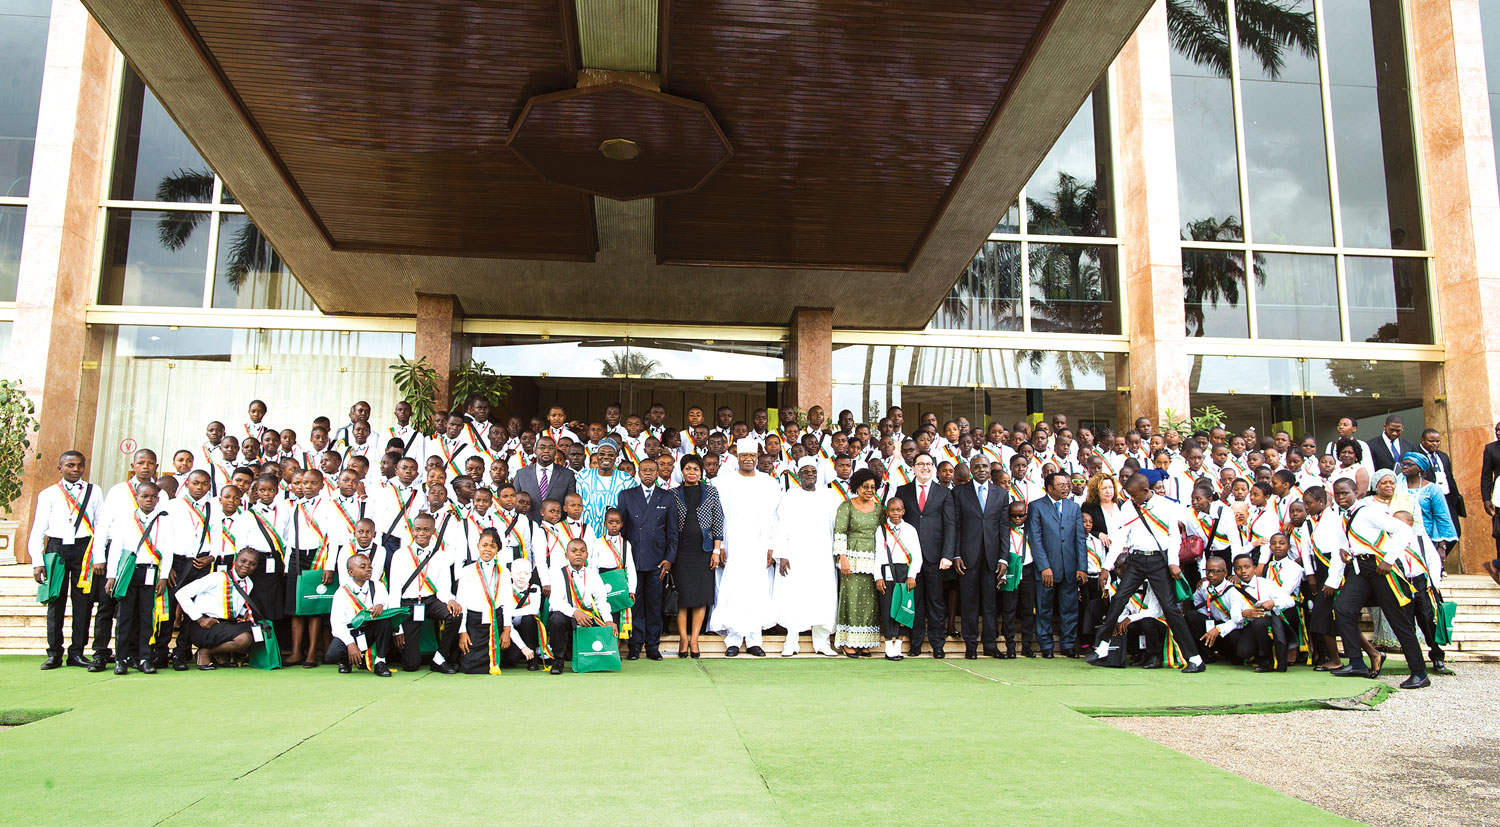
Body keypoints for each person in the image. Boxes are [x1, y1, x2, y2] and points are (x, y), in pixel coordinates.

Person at [1090, 474, 1206, 673]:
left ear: (1145, 491)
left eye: (1134, 495)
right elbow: (1119, 538)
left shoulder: (1167, 506)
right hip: (1135, 560)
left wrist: (1173, 563)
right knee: (1118, 599)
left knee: (1170, 609)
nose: (1131, 499)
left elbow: (1174, 536)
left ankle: (1194, 658)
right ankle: (1101, 647)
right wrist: (1105, 567)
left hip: (1158, 562)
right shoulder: (1128, 507)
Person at [1327, 478, 1430, 689]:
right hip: (1359, 568)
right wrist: (1334, 579)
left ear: (1356, 492)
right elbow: (1340, 548)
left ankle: (1419, 672)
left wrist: (1389, 560)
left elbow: (1402, 530)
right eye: (1337, 494)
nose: (1341, 498)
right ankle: (1356, 662)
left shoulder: (1367, 511)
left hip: (1380, 568)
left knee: (1398, 619)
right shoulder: (1340, 517)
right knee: (1343, 608)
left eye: (1345, 493)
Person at [29, 451, 102, 670]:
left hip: (84, 548)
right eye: (70, 465)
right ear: (60, 468)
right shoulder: (48, 493)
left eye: (80, 466)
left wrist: (99, 556)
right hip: (57, 548)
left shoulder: (93, 490)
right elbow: (38, 529)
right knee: (56, 601)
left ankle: (77, 652)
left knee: (84, 603)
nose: (76, 470)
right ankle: (54, 653)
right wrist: (37, 560)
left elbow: (100, 525)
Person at [710, 438, 782, 657]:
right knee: (733, 590)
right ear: (737, 458)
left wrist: (772, 546)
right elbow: (718, 516)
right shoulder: (723, 482)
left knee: (756, 590)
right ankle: (732, 640)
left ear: (757, 457)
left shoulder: (769, 483)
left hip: (759, 546)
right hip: (733, 546)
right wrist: (720, 545)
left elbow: (775, 517)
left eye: (752, 456)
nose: (748, 459)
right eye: (744, 456)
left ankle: (753, 640)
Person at [771, 458, 839, 657]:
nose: (810, 474)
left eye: (813, 471)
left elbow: (837, 526)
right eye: (806, 471)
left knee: (822, 596)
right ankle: (791, 642)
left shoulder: (829, 496)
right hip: (796, 554)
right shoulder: (790, 496)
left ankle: (822, 643)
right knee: (795, 596)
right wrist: (782, 554)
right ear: (798, 475)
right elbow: (781, 525)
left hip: (822, 555)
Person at [103, 480, 171, 675]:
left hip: (151, 573)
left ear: (158, 499)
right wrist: (111, 576)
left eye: (153, 497)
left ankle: (145, 658)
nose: (149, 500)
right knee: (124, 617)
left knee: (146, 617)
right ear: (137, 498)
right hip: (128, 573)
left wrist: (164, 576)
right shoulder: (126, 520)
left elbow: (168, 551)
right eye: (144, 496)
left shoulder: (164, 520)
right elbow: (116, 549)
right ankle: (121, 659)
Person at [893, 452, 957, 658]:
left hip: (935, 557)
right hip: (910, 558)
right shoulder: (903, 491)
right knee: (914, 603)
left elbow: (950, 525)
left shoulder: (944, 493)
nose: (925, 468)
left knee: (937, 602)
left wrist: (948, 554)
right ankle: (916, 644)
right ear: (913, 467)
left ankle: (938, 645)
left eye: (929, 464)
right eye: (921, 464)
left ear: (934, 468)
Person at [617, 458, 676, 660]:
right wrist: (622, 559)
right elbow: (622, 532)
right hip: (633, 560)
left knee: (654, 604)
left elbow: (672, 532)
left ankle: (653, 646)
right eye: (644, 470)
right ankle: (635, 646)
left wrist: (669, 559)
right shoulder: (626, 496)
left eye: (652, 470)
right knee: (635, 604)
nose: (648, 473)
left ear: (658, 472)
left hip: (657, 561)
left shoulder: (667, 497)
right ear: (638, 473)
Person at [389, 512, 461, 674]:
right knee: (411, 666)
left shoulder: (440, 556)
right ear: (412, 531)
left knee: (455, 614)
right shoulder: (400, 555)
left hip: (429, 602)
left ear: (433, 532)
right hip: (408, 606)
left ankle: (439, 658)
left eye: (426, 530)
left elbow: (443, 589)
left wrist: (450, 600)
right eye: (418, 529)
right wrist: (397, 628)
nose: (421, 533)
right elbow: (394, 592)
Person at [953, 454, 1008, 659]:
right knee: (969, 602)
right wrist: (956, 553)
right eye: (977, 467)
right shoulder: (959, 492)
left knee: (990, 602)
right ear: (971, 469)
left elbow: (1004, 528)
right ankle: (971, 645)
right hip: (967, 556)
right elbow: (955, 526)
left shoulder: (1001, 494)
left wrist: (1003, 558)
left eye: (985, 466)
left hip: (992, 556)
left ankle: (990, 644)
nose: (982, 470)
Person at [1028, 471, 1087, 658]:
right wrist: (1044, 567)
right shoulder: (1036, 507)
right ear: (1050, 487)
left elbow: (1080, 539)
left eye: (1067, 484)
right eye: (1061, 485)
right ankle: (1046, 645)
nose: (1066, 488)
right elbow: (1035, 539)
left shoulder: (1073, 507)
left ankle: (1068, 644)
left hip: (1070, 567)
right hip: (1046, 569)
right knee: (1044, 608)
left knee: (1070, 608)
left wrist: (1082, 567)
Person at [174, 547, 262, 670]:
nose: (247, 565)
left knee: (261, 629)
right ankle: (205, 652)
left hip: (225, 624)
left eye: (252, 564)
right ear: (235, 561)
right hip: (204, 625)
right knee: (244, 639)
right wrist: (200, 619)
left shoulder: (249, 583)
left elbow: (234, 605)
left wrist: (245, 612)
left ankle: (218, 652)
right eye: (243, 561)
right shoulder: (216, 578)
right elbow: (181, 594)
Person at [672, 455, 723, 657]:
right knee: (682, 598)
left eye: (695, 469)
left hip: (704, 551)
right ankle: (683, 639)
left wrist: (716, 551)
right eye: (687, 469)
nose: (691, 472)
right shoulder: (673, 494)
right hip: (681, 552)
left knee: (700, 598)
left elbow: (718, 521)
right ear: (682, 471)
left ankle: (695, 640)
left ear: (701, 471)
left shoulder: (711, 492)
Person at [832, 468, 882, 657]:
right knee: (851, 600)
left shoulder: (878, 508)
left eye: (872, 487)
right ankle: (849, 642)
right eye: (865, 487)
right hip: (850, 560)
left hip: (872, 559)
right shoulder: (846, 506)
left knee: (870, 602)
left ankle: (864, 641)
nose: (869, 490)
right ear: (857, 487)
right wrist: (842, 558)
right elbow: (840, 532)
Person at [547, 538, 614, 674]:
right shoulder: (558, 573)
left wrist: (608, 620)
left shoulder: (592, 575)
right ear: (566, 555)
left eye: (582, 551)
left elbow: (601, 600)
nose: (578, 554)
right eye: (574, 551)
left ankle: (595, 659)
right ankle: (558, 661)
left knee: (608, 623)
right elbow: (555, 602)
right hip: (567, 615)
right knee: (556, 620)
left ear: (587, 555)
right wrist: (575, 612)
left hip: (587, 616)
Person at [326, 551, 394, 676]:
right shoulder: (341, 593)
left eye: (370, 566)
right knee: (332, 654)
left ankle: (380, 661)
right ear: (351, 572)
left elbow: (384, 602)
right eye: (363, 567)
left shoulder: (378, 586)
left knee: (385, 621)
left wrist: (381, 605)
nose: (368, 569)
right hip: (352, 632)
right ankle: (345, 661)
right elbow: (337, 625)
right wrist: (350, 644)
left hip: (370, 630)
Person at [456, 528, 513, 674]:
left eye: (492, 546)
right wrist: (462, 631)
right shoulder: (467, 570)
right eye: (484, 545)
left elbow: (507, 601)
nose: (488, 549)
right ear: (478, 546)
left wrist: (507, 629)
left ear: (498, 549)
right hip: (474, 622)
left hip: (496, 621)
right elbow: (461, 601)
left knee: (511, 658)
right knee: (469, 667)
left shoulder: (504, 571)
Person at [874, 496, 922, 660]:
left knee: (904, 607)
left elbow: (917, 556)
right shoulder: (881, 530)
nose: (895, 513)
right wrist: (878, 577)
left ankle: (898, 646)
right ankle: (888, 647)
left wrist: (912, 575)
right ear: (887, 511)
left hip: (905, 571)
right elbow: (878, 555)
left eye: (899, 510)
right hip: (887, 570)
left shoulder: (910, 529)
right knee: (888, 607)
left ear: (904, 511)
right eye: (892, 510)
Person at [575, 439, 637, 535]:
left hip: (615, 536)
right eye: (602, 454)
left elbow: (632, 508)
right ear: (597, 455)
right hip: (586, 533)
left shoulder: (626, 479)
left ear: (616, 457)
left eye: (611, 455)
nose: (606, 457)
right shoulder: (582, 476)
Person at [513, 435, 576, 523]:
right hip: (528, 526)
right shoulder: (521, 474)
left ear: (555, 451)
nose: (546, 451)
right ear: (535, 451)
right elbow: (514, 502)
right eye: (542, 447)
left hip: (557, 527)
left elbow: (570, 504)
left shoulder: (567, 475)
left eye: (551, 448)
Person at [1483, 421, 1500, 584]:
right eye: (1497, 430)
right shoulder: (1491, 449)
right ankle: (1496, 565)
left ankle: (1496, 565)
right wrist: (1486, 498)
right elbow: (1486, 475)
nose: (1499, 433)